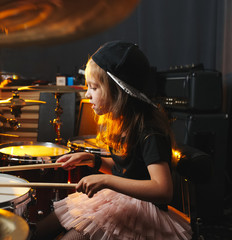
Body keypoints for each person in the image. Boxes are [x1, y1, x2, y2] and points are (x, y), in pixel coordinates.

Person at [32, 41, 192, 240]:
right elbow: (126, 171)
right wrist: (93, 160)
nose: (87, 94)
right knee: (39, 231)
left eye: (94, 87)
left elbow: (163, 189)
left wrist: (106, 181)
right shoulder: (122, 122)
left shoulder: (150, 130)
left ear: (118, 92)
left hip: (142, 211)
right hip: (118, 199)